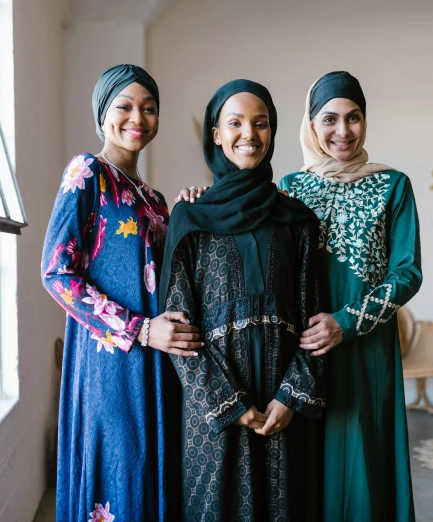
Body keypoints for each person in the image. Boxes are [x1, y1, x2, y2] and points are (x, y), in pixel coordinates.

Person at [41, 64, 202, 522]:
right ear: (102, 113)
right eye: (125, 106)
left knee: (150, 474)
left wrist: (190, 211)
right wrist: (140, 329)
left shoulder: (154, 198)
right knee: (116, 480)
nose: (138, 117)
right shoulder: (87, 172)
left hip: (157, 361)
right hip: (110, 363)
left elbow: (166, 275)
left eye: (149, 109)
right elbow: (57, 273)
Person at [161, 79, 325, 522]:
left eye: (261, 123)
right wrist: (227, 404)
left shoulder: (297, 221)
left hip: (281, 405)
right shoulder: (190, 218)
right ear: (216, 134)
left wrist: (292, 396)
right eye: (235, 123)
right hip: (213, 414)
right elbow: (176, 328)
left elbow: (315, 320)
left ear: (273, 133)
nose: (248, 135)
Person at [278, 71, 423, 522]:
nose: (343, 131)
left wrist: (347, 322)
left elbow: (408, 273)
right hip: (305, 350)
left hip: (366, 345)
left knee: (364, 464)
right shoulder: (288, 189)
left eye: (354, 117)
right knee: (309, 465)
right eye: (330, 119)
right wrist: (201, 199)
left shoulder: (393, 185)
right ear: (311, 124)